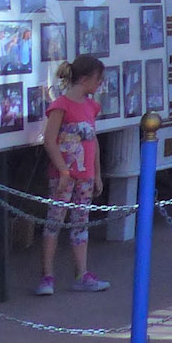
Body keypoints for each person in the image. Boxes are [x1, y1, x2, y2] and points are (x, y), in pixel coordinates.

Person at [37, 55, 110, 293]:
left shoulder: (91, 106)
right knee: (54, 221)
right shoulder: (61, 105)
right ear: (85, 78)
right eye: (98, 78)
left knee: (81, 222)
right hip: (64, 176)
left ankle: (82, 273)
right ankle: (47, 276)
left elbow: (93, 141)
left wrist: (97, 173)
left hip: (85, 175)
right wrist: (63, 170)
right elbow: (50, 140)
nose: (100, 83)